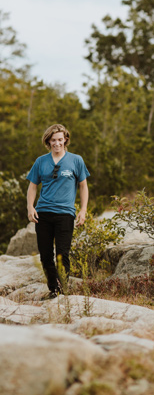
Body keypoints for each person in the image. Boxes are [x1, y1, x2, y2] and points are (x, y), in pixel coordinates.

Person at [27, 124, 90, 298]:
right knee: (46, 255)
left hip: (65, 214)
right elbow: (32, 186)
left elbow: (83, 187)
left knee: (62, 253)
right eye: (53, 140)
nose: (57, 143)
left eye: (60, 140)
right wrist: (30, 207)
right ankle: (53, 289)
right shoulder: (41, 161)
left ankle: (63, 289)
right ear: (48, 141)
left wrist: (83, 210)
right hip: (43, 213)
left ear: (65, 140)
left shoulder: (76, 160)